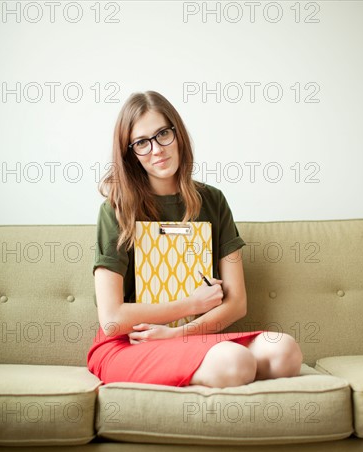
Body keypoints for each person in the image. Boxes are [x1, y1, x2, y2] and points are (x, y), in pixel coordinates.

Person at [87, 90, 303, 388]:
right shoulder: (116, 209)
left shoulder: (212, 201)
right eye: (141, 143)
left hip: (190, 336)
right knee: (234, 361)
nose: (156, 149)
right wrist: (191, 304)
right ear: (130, 153)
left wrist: (179, 333)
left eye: (163, 134)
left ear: (178, 134)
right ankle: (211, 367)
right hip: (131, 343)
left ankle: (201, 362)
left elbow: (237, 303)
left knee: (284, 351)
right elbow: (111, 319)